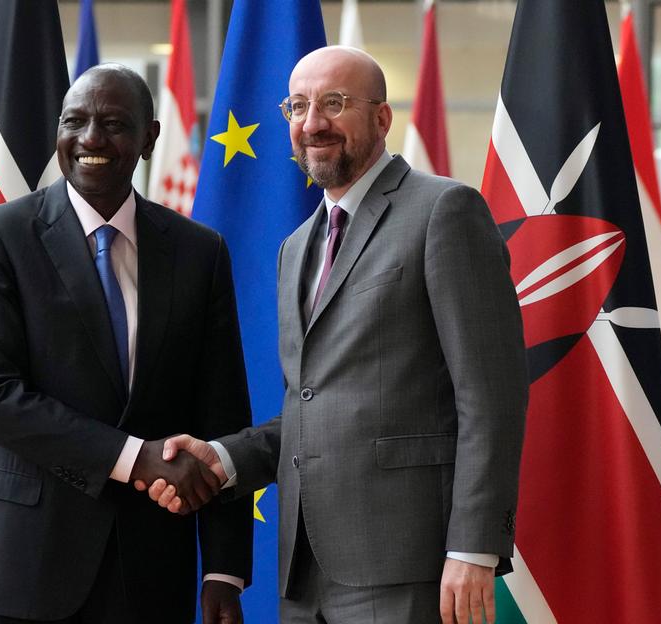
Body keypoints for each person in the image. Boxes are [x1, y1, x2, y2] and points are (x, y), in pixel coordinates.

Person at [149, 46, 528, 624]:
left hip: (410, 563)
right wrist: (222, 459)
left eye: (334, 103)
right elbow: (311, 407)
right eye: (297, 106)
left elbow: (491, 394)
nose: (312, 122)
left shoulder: (445, 211)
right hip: (303, 570)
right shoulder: (296, 246)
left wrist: (472, 547)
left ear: (381, 118)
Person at [0, 64, 252, 624]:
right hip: (21, 562)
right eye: (74, 121)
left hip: (151, 567)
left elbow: (221, 412)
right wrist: (135, 459)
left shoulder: (198, 252)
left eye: (112, 123)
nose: (90, 139)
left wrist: (222, 568)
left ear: (150, 137)